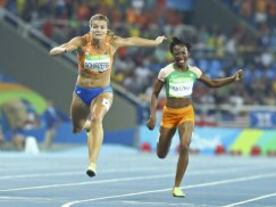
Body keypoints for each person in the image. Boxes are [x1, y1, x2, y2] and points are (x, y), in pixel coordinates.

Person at [49, 13, 166, 177]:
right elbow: (56, 49)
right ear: (90, 28)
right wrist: (61, 50)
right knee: (77, 127)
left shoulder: (112, 42)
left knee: (97, 118)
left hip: (103, 91)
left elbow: (132, 40)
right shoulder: (81, 41)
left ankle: (92, 163)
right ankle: (88, 127)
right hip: (82, 91)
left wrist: (154, 42)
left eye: (102, 27)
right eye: (95, 27)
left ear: (106, 29)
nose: (98, 30)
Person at [146, 37, 243, 197]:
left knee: (185, 145)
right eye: (176, 53)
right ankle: (163, 138)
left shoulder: (194, 71)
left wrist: (232, 79)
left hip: (186, 113)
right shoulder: (166, 72)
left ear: (188, 53)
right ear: (172, 55)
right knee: (161, 154)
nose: (180, 56)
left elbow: (212, 83)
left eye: (183, 52)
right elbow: (155, 93)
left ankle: (177, 186)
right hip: (169, 114)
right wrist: (152, 116)